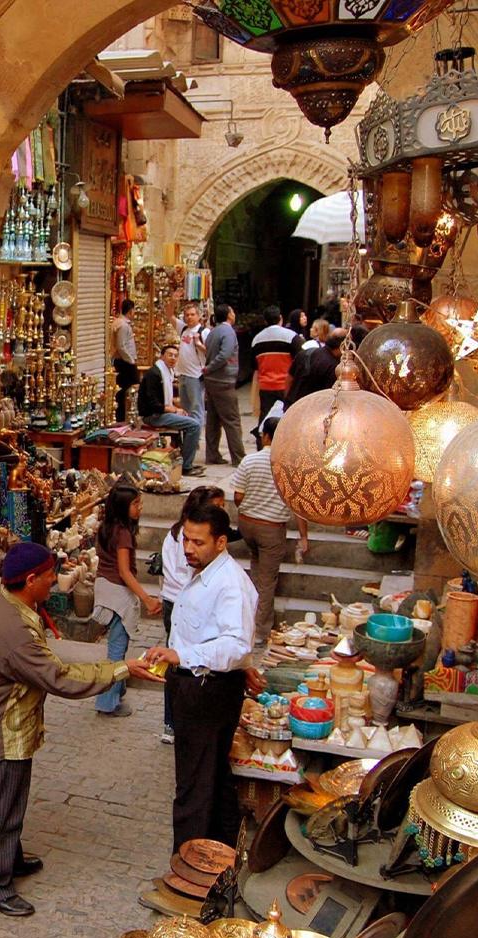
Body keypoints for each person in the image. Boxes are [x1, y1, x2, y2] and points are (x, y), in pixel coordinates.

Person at [0, 541, 163, 916]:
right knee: (3, 806)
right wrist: (122, 668)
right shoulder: (15, 633)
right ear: (30, 580)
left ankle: (9, 858)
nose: (55, 581)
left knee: (7, 796)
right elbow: (62, 678)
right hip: (2, 726)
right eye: (50, 575)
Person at [146, 503, 263, 851]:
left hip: (207, 690)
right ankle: (224, 855)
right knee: (213, 779)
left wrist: (182, 655)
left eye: (198, 542)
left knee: (194, 789)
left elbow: (236, 644)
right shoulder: (204, 571)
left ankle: (186, 866)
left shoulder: (229, 583)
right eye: (186, 539)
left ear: (221, 542)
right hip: (194, 685)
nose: (188, 548)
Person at [158, 485, 227, 744]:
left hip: (181, 600)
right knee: (178, 662)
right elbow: (180, 573)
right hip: (178, 601)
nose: (190, 547)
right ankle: (173, 722)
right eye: (217, 507)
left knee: (183, 659)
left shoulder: (227, 576)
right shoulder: (180, 537)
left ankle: (181, 721)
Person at [232, 418, 310, 642]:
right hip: (271, 530)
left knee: (256, 570)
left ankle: (247, 621)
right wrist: (303, 536)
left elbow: (238, 496)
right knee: (266, 582)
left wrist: (250, 507)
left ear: (265, 436)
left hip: (247, 524)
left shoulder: (249, 461)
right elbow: (298, 507)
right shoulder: (292, 466)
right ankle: (259, 631)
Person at [94, 483, 163, 717]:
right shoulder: (123, 533)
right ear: (123, 507)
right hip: (117, 594)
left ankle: (118, 690)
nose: (140, 508)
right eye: (135, 504)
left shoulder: (107, 528)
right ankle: (107, 702)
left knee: (116, 646)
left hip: (105, 588)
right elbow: (124, 571)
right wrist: (146, 598)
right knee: (117, 650)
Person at [138, 343, 205, 477]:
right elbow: (153, 404)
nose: (173, 358)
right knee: (194, 425)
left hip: (161, 412)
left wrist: (176, 409)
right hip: (153, 415)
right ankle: (186, 466)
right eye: (170, 355)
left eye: (175, 356)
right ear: (162, 356)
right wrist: (174, 411)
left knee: (190, 419)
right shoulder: (154, 374)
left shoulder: (168, 372)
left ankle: (181, 461)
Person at [202, 303, 246, 467]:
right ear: (229, 315)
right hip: (223, 380)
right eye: (232, 311)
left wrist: (209, 369)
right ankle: (238, 457)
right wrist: (210, 367)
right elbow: (224, 355)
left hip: (212, 380)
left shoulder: (213, 332)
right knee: (231, 420)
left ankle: (212, 453)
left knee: (213, 419)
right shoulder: (228, 332)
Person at [250, 305, 304, 424]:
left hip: (266, 386)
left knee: (265, 419)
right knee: (288, 419)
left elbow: (254, 365)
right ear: (281, 318)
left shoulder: (257, 340)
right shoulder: (291, 336)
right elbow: (301, 359)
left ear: (265, 321)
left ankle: (264, 436)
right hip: (286, 385)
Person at [285, 328, 347, 409]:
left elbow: (289, 379)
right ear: (343, 346)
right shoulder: (334, 366)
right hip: (311, 410)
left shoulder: (304, 353)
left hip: (292, 406)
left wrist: (287, 401)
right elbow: (329, 396)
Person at [177, 303, 209, 423]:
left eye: (192, 314)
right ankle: (188, 431)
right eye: (187, 315)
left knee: (196, 406)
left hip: (196, 375)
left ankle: (197, 432)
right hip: (183, 374)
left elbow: (211, 351)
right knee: (185, 408)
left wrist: (198, 344)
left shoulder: (204, 332)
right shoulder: (184, 330)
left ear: (198, 316)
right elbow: (169, 316)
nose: (189, 317)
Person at [111, 299, 140, 423]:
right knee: (124, 390)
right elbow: (121, 346)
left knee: (123, 390)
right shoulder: (122, 326)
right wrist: (131, 361)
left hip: (123, 361)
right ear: (130, 311)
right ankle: (122, 417)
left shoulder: (120, 323)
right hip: (124, 363)